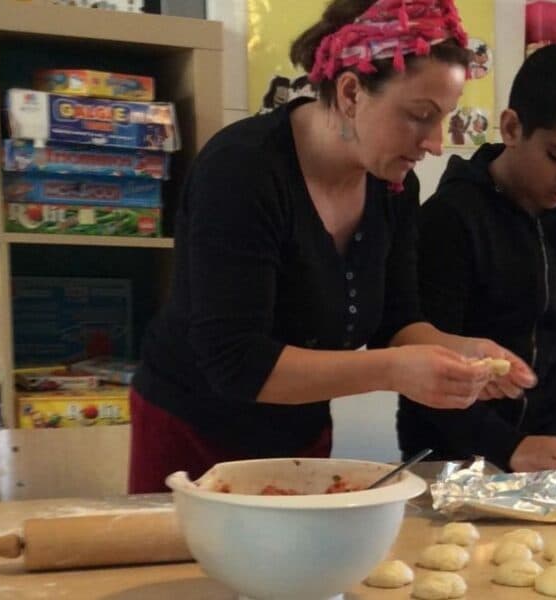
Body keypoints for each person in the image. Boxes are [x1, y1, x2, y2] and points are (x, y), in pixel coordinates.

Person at [128, 0, 535, 494]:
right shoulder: (242, 170)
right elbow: (236, 362)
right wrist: (393, 372)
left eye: (445, 118)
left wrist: (461, 352)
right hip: (194, 434)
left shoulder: (394, 187)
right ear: (350, 92)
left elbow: (398, 321)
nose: (433, 143)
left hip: (301, 437)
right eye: (419, 116)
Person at [399, 45, 556, 495]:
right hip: (446, 458)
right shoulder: (450, 220)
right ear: (512, 128)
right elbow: (428, 372)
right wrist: (508, 446)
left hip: (542, 452)